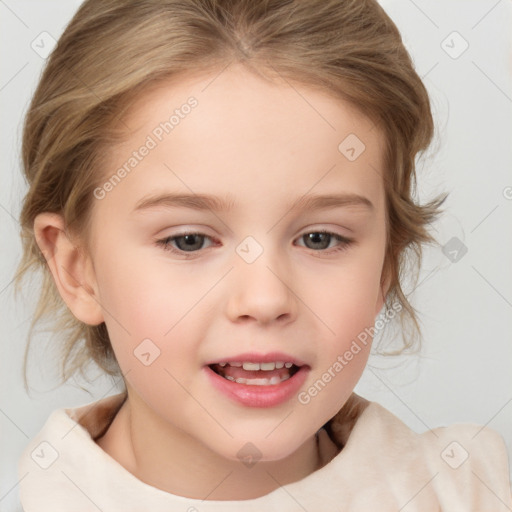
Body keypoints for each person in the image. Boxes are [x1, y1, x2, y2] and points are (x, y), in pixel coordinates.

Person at [15, 0, 511, 509]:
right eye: (189, 240)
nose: (265, 297)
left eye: (320, 238)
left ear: (386, 264)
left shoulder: (473, 493)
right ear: (78, 270)